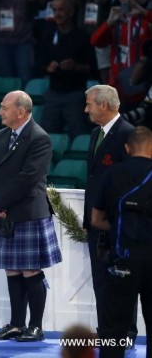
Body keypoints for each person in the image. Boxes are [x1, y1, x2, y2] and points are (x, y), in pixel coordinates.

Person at [0, 90, 62, 342]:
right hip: (4, 212)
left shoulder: (39, 138)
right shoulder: (0, 135)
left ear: (21, 111)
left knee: (30, 271)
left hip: (29, 213)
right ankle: (16, 324)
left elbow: (28, 178)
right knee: (12, 270)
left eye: (4, 108)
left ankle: (35, 326)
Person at [91, 126, 152, 358]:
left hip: (122, 257)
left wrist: (120, 227)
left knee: (114, 328)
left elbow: (96, 219)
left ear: (127, 148)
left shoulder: (112, 174)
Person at [82, 84, 135, 341]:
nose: (86, 109)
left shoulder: (128, 134)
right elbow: (93, 180)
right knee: (101, 280)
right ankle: (107, 330)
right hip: (96, 222)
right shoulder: (95, 134)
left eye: (89, 104)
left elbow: (134, 181)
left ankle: (126, 331)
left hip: (118, 224)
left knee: (122, 281)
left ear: (104, 104)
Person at [38, 0, 96, 139]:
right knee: (45, 137)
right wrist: (48, 67)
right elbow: (39, 64)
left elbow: (92, 68)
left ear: (71, 12)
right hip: (53, 93)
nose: (57, 14)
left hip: (75, 94)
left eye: (61, 10)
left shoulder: (82, 36)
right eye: (55, 10)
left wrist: (75, 66)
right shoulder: (48, 35)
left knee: (79, 135)